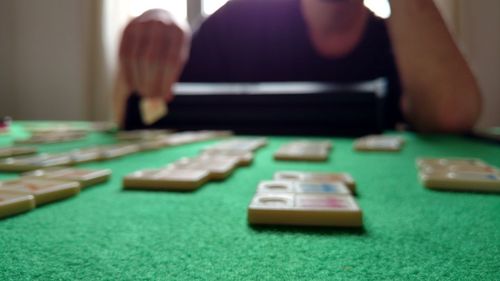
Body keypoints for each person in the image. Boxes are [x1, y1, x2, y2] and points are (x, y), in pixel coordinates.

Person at [115, 0, 481, 133]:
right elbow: (136, 108)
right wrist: (156, 22)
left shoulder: (401, 41)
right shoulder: (243, 18)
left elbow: (451, 114)